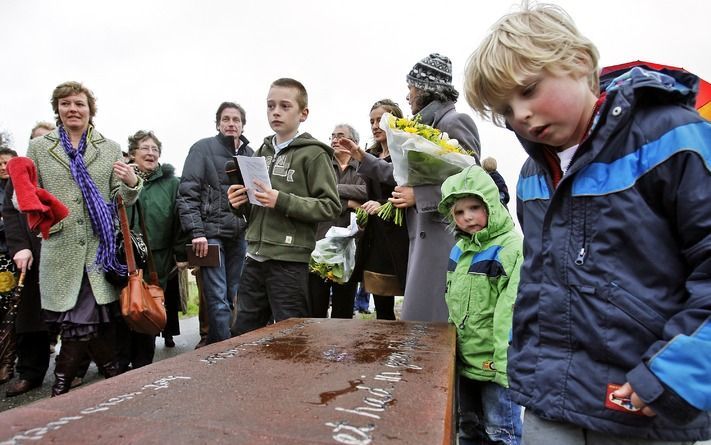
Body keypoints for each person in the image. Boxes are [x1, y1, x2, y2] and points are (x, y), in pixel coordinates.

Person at [465, 3, 711, 443]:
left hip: (642, 402)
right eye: (505, 107)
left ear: (578, 62)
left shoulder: (673, 138)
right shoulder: (532, 175)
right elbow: (539, 281)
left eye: (528, 90)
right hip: (549, 401)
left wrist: (677, 373)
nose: (518, 115)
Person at [24, 81, 142, 396]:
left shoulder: (109, 147)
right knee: (84, 322)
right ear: (57, 110)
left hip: (98, 248)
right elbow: (24, 195)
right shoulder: (39, 148)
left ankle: (64, 383)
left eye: (79, 104)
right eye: (66, 104)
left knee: (82, 319)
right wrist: (40, 212)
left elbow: (121, 198)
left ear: (90, 110)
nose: (73, 109)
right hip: (61, 247)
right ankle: (113, 373)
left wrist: (132, 182)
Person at [228, 78, 340, 335]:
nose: (275, 111)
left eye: (285, 106)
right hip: (254, 256)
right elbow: (255, 207)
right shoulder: (261, 151)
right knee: (242, 335)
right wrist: (239, 203)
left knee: (293, 337)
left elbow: (330, 206)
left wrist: (281, 200)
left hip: (289, 262)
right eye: (270, 105)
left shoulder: (314, 154)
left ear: (304, 113)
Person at [394, 53, 481, 323]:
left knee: (436, 319)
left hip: (443, 236)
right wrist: (365, 160)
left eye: (410, 88)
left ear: (423, 89)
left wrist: (418, 195)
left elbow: (473, 179)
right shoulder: (422, 126)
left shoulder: (454, 122)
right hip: (425, 234)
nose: (408, 96)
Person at [438, 165, 522, 445]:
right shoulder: (459, 250)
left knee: (502, 432)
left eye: (475, 207)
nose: (468, 217)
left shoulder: (510, 249)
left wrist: (503, 365)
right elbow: (453, 304)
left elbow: (509, 312)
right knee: (468, 428)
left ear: (492, 204)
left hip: (496, 366)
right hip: (466, 361)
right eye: (459, 212)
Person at [177, 102, 253, 345]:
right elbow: (187, 193)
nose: (231, 124)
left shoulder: (250, 155)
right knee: (217, 295)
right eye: (226, 119)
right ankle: (223, 348)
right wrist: (196, 232)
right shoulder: (202, 149)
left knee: (234, 294)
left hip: (240, 234)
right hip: (209, 234)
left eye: (236, 120)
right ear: (218, 123)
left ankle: (226, 342)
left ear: (243, 125)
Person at [116, 130, 186, 371]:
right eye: (144, 148)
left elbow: (179, 220)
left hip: (158, 257)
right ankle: (120, 360)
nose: (150, 153)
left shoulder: (172, 183)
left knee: (148, 306)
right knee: (124, 305)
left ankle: (143, 364)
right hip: (124, 256)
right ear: (133, 153)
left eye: (155, 149)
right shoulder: (119, 178)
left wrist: (181, 254)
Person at [341, 100, 409, 320]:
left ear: (395, 120)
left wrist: (384, 206)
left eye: (380, 119)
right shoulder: (371, 153)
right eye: (371, 121)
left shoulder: (406, 152)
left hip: (399, 234)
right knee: (381, 301)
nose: (375, 125)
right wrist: (363, 211)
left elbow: (406, 187)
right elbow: (366, 194)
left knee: (408, 294)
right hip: (375, 235)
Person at [308, 124, 366, 318]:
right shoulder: (322, 164)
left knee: (344, 309)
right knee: (316, 306)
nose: (334, 140)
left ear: (354, 142)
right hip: (320, 243)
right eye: (332, 136)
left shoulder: (364, 168)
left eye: (340, 136)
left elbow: (367, 192)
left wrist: (332, 191)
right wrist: (349, 202)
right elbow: (315, 193)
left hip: (350, 247)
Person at [0, 148, 20, 385]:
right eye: (0, 162)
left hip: (11, 257)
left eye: (8, 162)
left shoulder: (17, 187)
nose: (4, 166)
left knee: (10, 312)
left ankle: (7, 362)